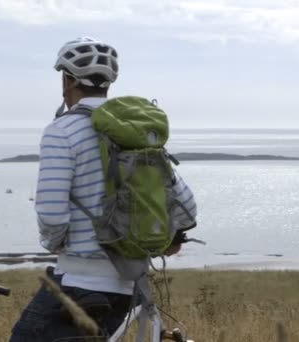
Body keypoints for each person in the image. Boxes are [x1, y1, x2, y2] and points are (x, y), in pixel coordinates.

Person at [10, 37, 197, 341]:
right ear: (109, 83)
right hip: (129, 292)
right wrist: (171, 237)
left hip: (78, 283)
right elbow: (187, 205)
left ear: (67, 79)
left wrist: (55, 243)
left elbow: (52, 213)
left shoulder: (62, 131)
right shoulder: (133, 130)